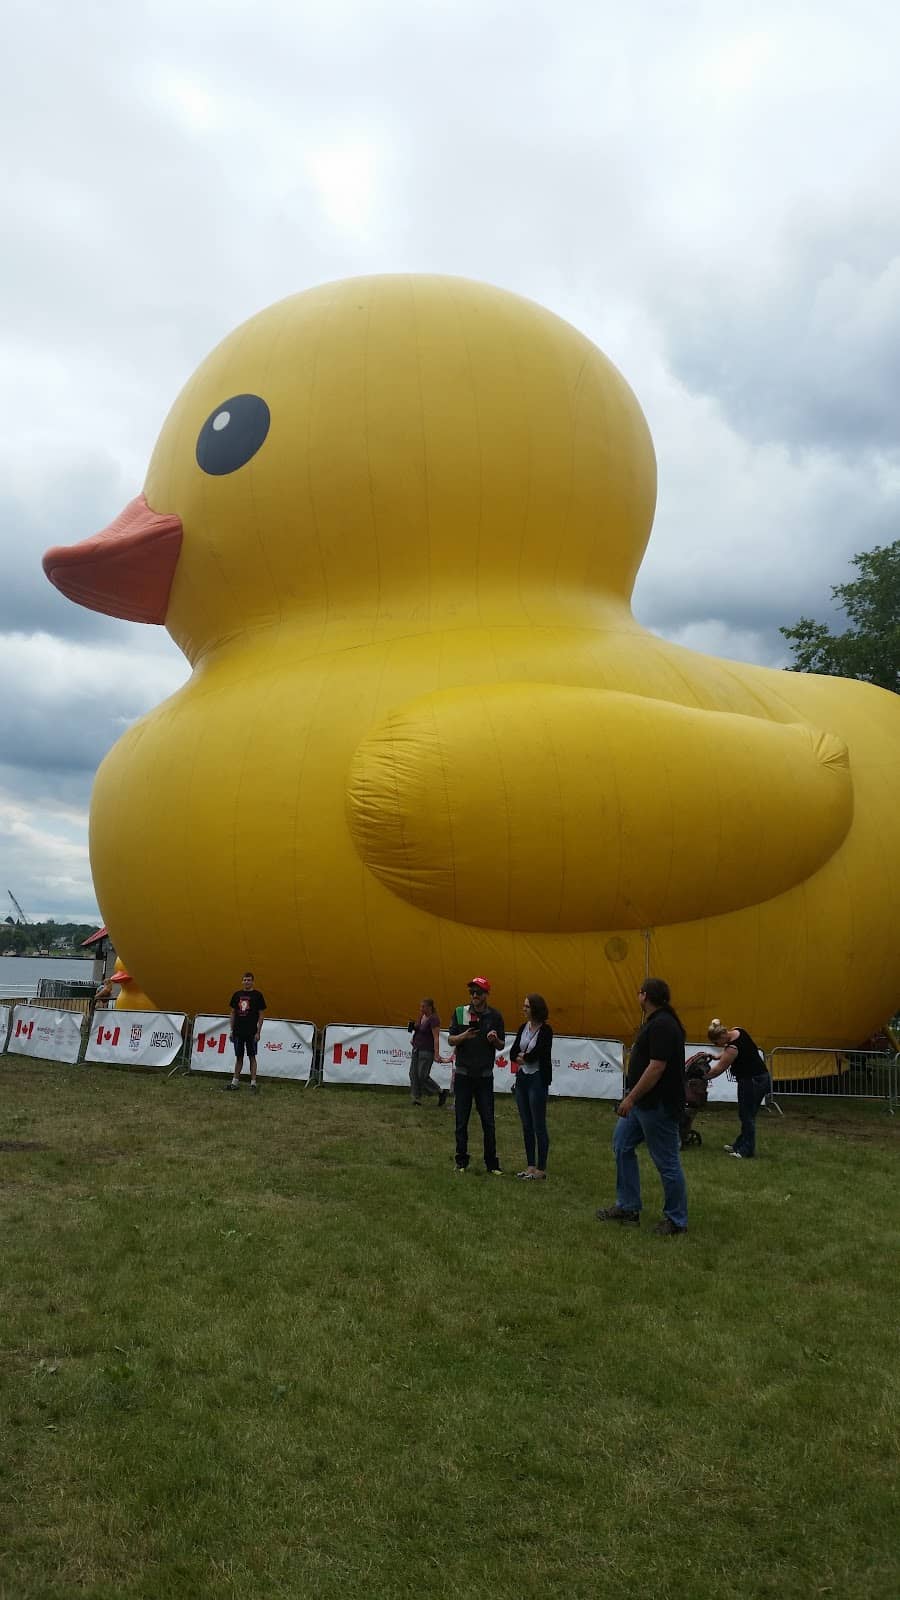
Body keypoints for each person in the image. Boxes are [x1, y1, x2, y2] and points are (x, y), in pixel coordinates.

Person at [596, 977, 688, 1236]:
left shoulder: (663, 1025)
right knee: (622, 1144)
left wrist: (631, 1098)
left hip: (656, 1104)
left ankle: (677, 1220)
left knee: (667, 1161)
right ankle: (628, 1206)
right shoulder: (656, 1023)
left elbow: (657, 1067)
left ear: (645, 996)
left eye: (639, 992)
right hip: (642, 1104)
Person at [447, 977, 505, 1174]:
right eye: (472, 992)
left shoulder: (495, 1016)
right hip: (463, 1074)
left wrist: (495, 1040)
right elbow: (450, 1040)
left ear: (486, 995)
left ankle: (492, 1164)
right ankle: (461, 1161)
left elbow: (502, 1045)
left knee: (488, 1121)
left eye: (478, 993)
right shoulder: (460, 1012)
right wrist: (464, 1036)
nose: (474, 996)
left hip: (484, 1076)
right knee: (461, 1120)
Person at [706, 1018, 771, 1159]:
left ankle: (746, 1150)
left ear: (721, 1036)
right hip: (761, 1078)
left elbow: (718, 1070)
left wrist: (702, 1077)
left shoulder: (732, 1048)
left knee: (747, 1115)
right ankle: (740, 1144)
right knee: (747, 1114)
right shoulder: (738, 1030)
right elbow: (733, 1050)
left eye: (716, 1043)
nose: (716, 1045)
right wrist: (717, 1056)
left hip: (752, 1081)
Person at [510, 994, 553, 1180]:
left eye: (527, 1006)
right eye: (523, 1005)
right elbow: (512, 1052)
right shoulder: (523, 1028)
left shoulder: (546, 1030)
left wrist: (524, 1057)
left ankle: (541, 1168)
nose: (524, 1009)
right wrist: (521, 1058)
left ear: (536, 1008)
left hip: (537, 1078)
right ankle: (530, 1165)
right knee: (526, 1124)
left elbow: (538, 1053)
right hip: (522, 1078)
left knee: (538, 1124)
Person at [225, 971, 267, 1092]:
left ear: (252, 981)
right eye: (245, 980)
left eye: (249, 980)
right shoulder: (237, 995)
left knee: (252, 1056)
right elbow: (232, 1012)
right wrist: (232, 1030)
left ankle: (253, 1083)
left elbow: (261, 1015)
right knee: (239, 1057)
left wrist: (258, 1032)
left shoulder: (258, 995)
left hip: (251, 1032)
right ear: (242, 981)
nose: (247, 982)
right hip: (238, 1031)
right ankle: (235, 1082)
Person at [408, 997, 449, 1107]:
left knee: (422, 1075)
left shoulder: (434, 1019)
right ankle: (416, 1098)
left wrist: (436, 1053)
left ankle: (440, 1091)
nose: (421, 1008)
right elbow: (418, 1028)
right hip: (417, 1047)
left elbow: (436, 1037)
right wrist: (413, 1037)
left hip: (427, 1050)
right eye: (420, 1006)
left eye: (423, 1006)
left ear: (429, 1007)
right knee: (413, 1073)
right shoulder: (422, 1016)